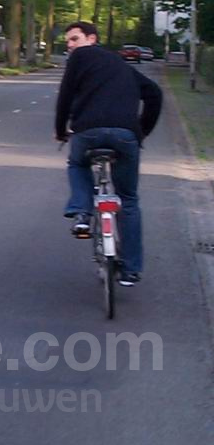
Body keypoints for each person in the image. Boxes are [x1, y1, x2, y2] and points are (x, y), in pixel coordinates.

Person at [55, 21, 162, 287]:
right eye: (67, 40)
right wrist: (142, 130)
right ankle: (131, 270)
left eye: (74, 39)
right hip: (127, 135)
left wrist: (60, 131)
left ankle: (82, 213)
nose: (69, 45)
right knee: (128, 199)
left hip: (87, 132)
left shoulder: (79, 58)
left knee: (77, 164)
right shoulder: (121, 65)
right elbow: (154, 94)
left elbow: (65, 97)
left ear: (91, 39)